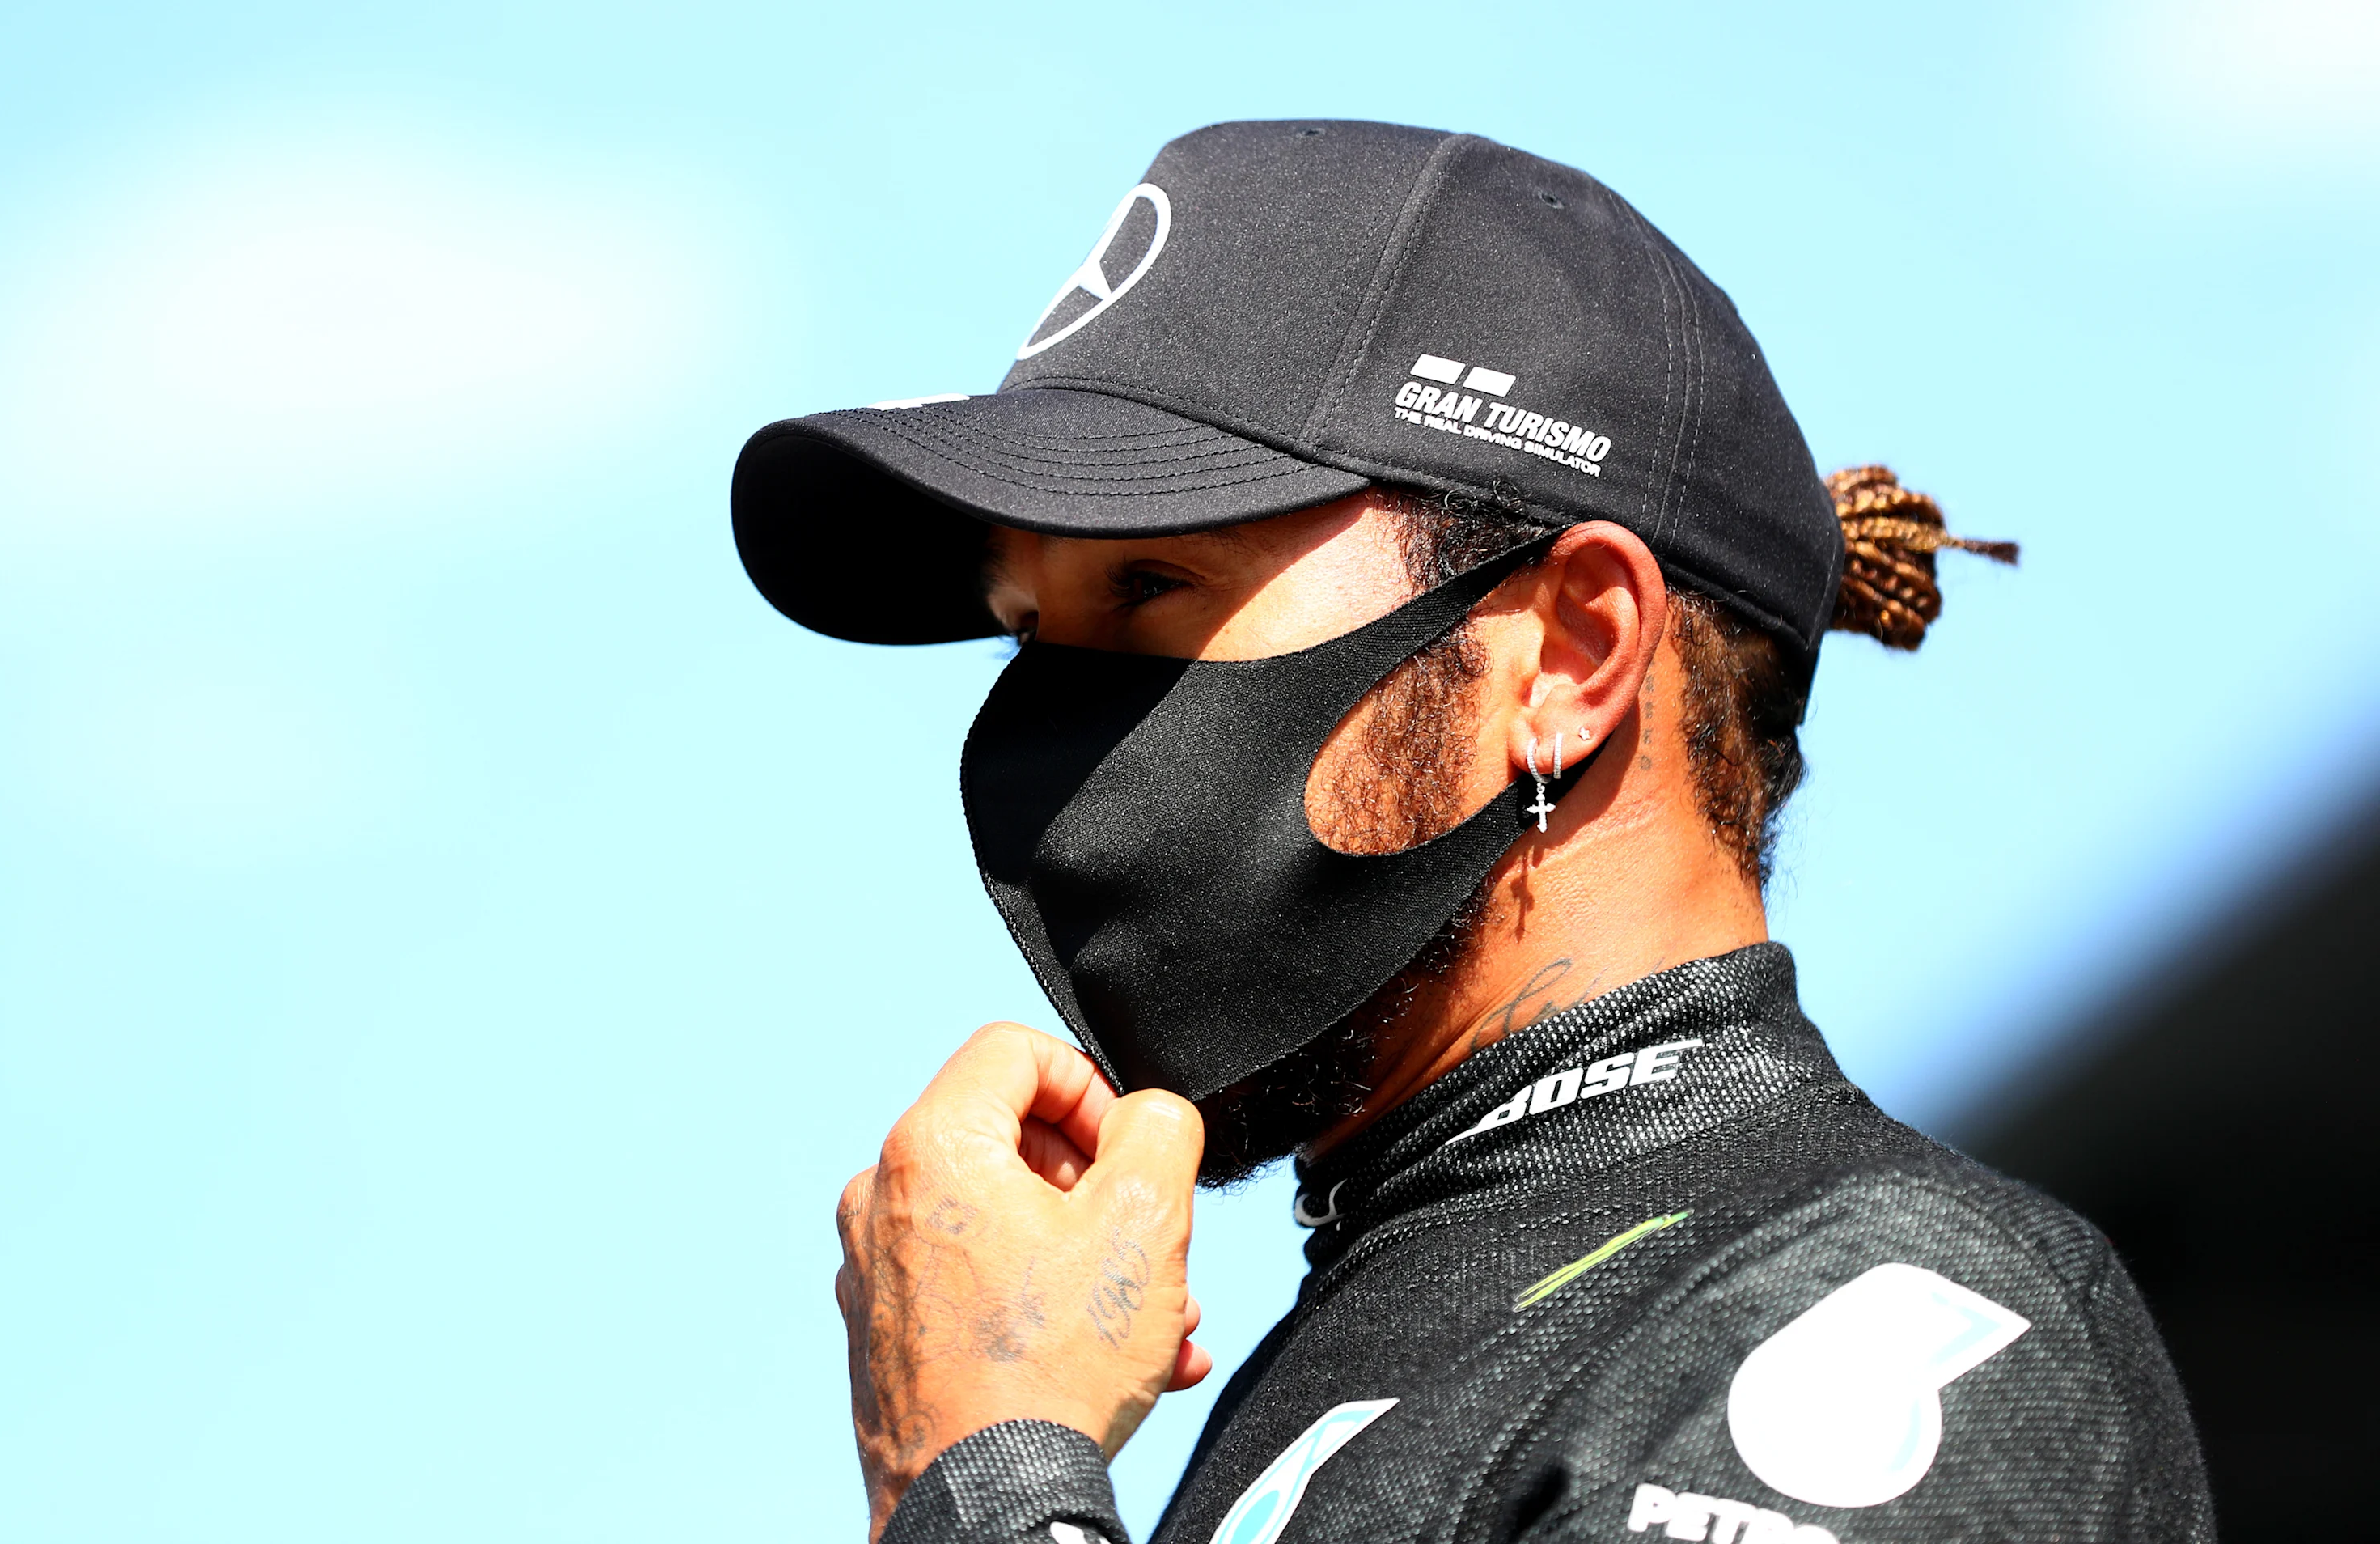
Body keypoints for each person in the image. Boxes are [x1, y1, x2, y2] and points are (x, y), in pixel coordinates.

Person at [729, 121, 2212, 1544]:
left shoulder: (1873, 1329)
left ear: (1571, 653)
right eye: (1018, 633)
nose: (1052, 731)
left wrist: (984, 1480)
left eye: (1144, 587)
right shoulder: (1382, 1329)